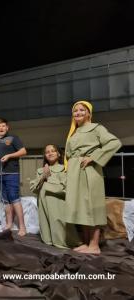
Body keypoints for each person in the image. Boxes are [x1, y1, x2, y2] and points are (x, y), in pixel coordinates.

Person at [63, 100, 121, 255]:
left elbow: (114, 142)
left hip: (89, 171)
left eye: (82, 110)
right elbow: (68, 154)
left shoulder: (97, 128)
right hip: (76, 171)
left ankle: (94, 245)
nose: (78, 113)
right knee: (81, 208)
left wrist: (93, 157)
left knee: (92, 207)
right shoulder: (74, 132)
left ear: (89, 113)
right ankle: (87, 242)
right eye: (75, 111)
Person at [30, 144, 81, 248]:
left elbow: (66, 188)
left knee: (59, 222)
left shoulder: (64, 169)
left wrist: (48, 178)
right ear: (45, 156)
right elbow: (34, 188)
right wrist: (43, 176)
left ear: (58, 154)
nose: (50, 153)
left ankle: (63, 243)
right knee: (45, 223)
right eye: (47, 152)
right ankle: (48, 241)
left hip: (57, 202)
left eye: (53, 151)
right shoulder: (41, 170)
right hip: (43, 203)